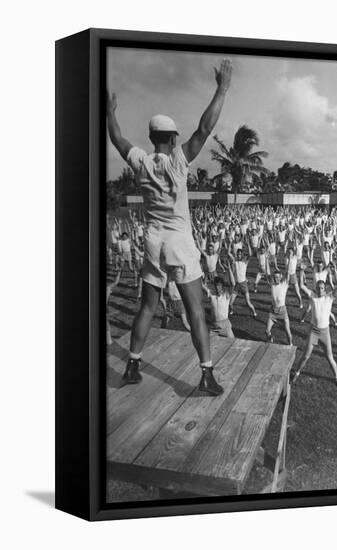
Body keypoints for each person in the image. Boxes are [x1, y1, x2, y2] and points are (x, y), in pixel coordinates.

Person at [107, 58, 232, 394]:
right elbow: (205, 129)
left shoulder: (141, 162)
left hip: (152, 241)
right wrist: (222, 88)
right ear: (174, 139)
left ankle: (133, 364)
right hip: (179, 242)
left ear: (151, 137)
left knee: (147, 305)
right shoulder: (178, 161)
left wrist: (111, 112)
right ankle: (205, 374)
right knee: (194, 310)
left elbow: (118, 139)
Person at [292, 263, 337, 387]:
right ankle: (297, 373)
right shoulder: (312, 296)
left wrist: (335, 271)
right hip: (313, 331)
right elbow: (301, 285)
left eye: (322, 288)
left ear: (325, 289)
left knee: (330, 358)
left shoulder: (329, 297)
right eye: (318, 288)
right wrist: (301, 271)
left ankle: (336, 376)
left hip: (325, 333)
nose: (320, 290)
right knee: (305, 356)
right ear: (316, 288)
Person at [265, 259, 293, 346]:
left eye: (278, 277)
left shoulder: (284, 284)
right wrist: (266, 259)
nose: (276, 279)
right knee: (267, 331)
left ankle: (290, 344)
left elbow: (288, 272)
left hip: (282, 311)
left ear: (281, 277)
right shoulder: (272, 285)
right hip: (273, 311)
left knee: (287, 331)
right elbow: (267, 272)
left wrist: (290, 260)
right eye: (275, 277)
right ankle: (270, 339)